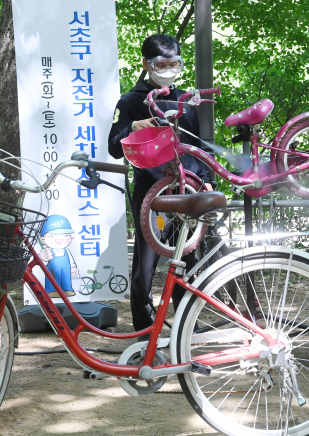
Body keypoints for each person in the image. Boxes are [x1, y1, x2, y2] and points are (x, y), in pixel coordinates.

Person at [108, 34, 215, 333]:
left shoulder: (186, 100)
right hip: (151, 195)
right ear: (146, 63)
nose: (167, 69)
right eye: (160, 64)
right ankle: (144, 328)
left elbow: (201, 145)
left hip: (188, 190)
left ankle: (185, 326)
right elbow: (113, 146)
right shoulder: (130, 101)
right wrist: (132, 127)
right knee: (146, 263)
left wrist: (207, 180)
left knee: (187, 259)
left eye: (174, 64)